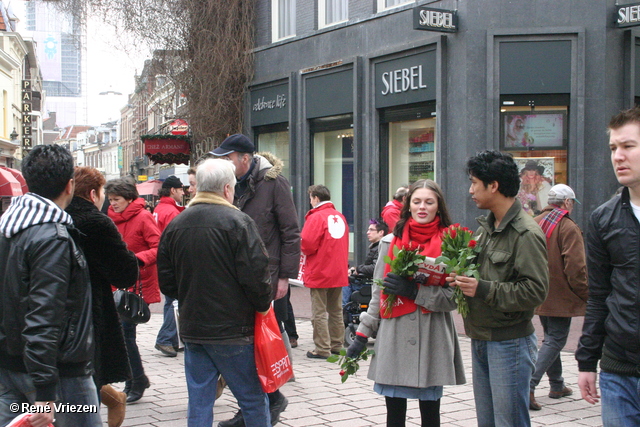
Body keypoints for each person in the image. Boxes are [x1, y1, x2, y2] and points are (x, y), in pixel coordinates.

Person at [157, 158, 273, 427]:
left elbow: (167, 282)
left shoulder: (176, 225)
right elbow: (256, 277)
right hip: (234, 329)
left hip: (193, 328)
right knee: (252, 399)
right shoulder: (239, 222)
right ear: (226, 189)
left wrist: (187, 297)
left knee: (199, 400)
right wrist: (262, 306)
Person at [347, 179, 466, 426]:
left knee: (431, 414)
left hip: (433, 333)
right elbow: (378, 294)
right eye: (417, 201)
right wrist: (361, 334)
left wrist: (415, 292)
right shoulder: (389, 242)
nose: (422, 207)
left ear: (438, 206)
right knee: (394, 413)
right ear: (408, 206)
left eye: (429, 202)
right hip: (395, 333)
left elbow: (453, 299)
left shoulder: (451, 243)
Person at [0, 145, 102, 426]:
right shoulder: (52, 238)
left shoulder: (8, 227)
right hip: (59, 374)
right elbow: (45, 313)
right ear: (69, 185)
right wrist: (45, 391)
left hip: (11, 364)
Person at [449, 150, 548, 426]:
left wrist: (482, 289)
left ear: (493, 186)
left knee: (509, 422)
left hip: (509, 343)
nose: (470, 190)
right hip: (482, 338)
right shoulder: (486, 228)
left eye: (474, 183)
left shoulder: (525, 233)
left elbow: (535, 291)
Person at [211, 134, 300, 427]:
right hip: (234, 276)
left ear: (245, 159)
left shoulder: (274, 183)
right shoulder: (230, 185)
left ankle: (266, 402)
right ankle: (266, 401)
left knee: (253, 343)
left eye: (228, 158)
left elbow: (290, 232)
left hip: (266, 276)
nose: (223, 163)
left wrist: (285, 277)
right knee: (243, 343)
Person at [576, 107, 640, 426]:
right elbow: (599, 296)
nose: (618, 156)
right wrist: (587, 360)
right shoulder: (603, 218)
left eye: (628, 146)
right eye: (614, 148)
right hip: (618, 371)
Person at [65, 166, 140, 427]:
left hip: (50, 317)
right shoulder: (96, 223)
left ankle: (110, 399)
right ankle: (108, 400)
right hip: (89, 315)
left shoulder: (54, 217)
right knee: (87, 379)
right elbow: (125, 273)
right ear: (94, 194)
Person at [528, 184, 588, 411]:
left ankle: (557, 384)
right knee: (556, 339)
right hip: (560, 293)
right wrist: (585, 293)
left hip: (539, 292)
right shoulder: (567, 226)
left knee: (551, 338)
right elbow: (576, 267)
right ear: (567, 202)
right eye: (572, 202)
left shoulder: (534, 222)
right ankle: (529, 384)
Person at [105, 178, 162, 403]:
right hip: (115, 284)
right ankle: (136, 379)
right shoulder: (108, 218)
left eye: (116, 200)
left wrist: (137, 260)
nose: (113, 204)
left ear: (129, 198)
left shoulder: (144, 217)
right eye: (110, 200)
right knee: (122, 336)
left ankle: (136, 380)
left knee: (126, 336)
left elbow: (159, 247)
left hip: (138, 284)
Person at [301, 184, 349, 359]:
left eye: (310, 198)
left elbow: (307, 244)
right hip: (338, 271)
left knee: (319, 312)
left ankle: (322, 348)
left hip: (320, 270)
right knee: (336, 310)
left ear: (315, 198)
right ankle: (337, 344)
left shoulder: (316, 217)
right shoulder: (340, 216)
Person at [153, 175, 186, 358]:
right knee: (176, 301)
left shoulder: (159, 208)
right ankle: (166, 339)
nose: (184, 192)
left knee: (170, 302)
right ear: (173, 190)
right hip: (172, 261)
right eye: (181, 189)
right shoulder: (172, 212)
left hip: (162, 260)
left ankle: (171, 339)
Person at [344, 218, 388, 306]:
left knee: (344, 281)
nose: (368, 232)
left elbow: (375, 268)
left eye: (371, 230)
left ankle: (344, 311)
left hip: (370, 284)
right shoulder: (376, 247)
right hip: (369, 281)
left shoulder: (381, 248)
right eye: (368, 230)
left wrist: (359, 269)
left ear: (381, 233)